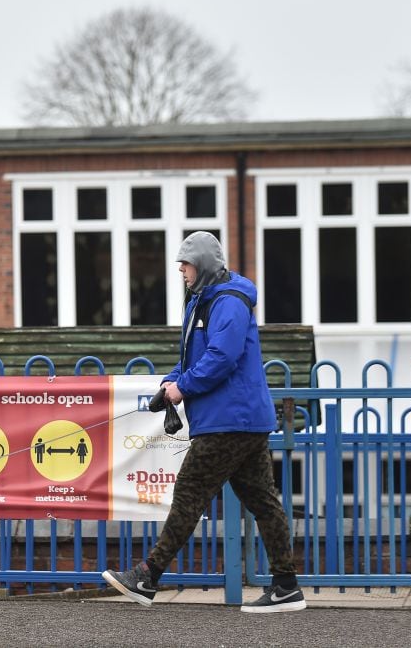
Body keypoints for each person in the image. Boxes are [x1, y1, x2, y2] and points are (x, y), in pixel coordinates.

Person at [101, 231, 305, 613]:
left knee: (190, 494)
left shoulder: (227, 301)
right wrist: (172, 379)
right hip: (240, 418)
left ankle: (147, 577)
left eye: (186, 263)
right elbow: (195, 355)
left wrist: (184, 388)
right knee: (264, 502)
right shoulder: (204, 299)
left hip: (230, 418)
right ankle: (286, 586)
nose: (181, 269)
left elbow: (221, 358)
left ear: (204, 265)